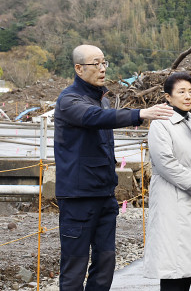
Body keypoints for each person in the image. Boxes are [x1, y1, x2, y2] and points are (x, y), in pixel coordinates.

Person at [54, 44, 173, 291]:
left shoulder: (103, 101)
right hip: (78, 198)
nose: (102, 69)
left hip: (105, 196)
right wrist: (141, 113)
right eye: (95, 64)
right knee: (74, 268)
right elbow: (94, 119)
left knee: (106, 263)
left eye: (104, 62)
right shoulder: (69, 101)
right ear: (79, 68)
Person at [143, 72, 191, 291]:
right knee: (173, 265)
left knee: (187, 265)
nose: (188, 97)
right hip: (171, 200)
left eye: (190, 92)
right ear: (168, 97)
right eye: (181, 92)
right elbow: (165, 162)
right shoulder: (160, 124)